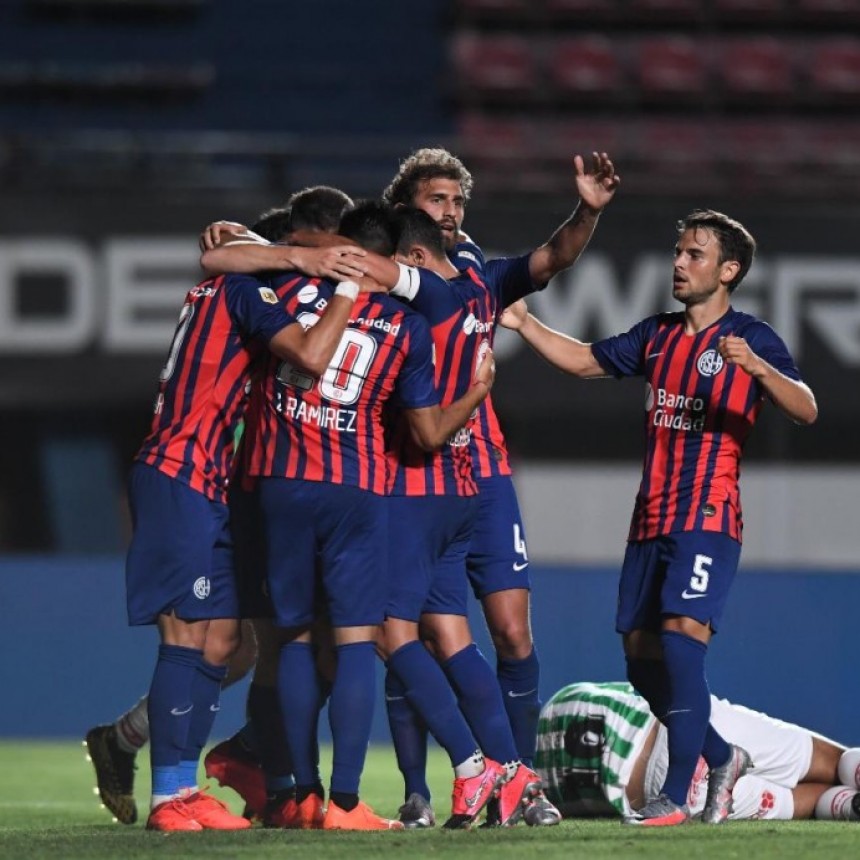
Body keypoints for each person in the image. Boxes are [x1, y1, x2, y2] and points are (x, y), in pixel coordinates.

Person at [500, 209, 818, 826]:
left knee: (679, 646)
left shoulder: (754, 337)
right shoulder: (658, 335)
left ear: (728, 271)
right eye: (678, 251)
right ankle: (724, 757)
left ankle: (678, 794)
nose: (678, 262)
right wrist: (524, 323)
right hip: (650, 521)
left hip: (707, 515)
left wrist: (755, 366)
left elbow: (805, 407)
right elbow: (585, 359)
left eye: (694, 254)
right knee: (642, 664)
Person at [96, 196, 367, 832]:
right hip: (180, 472)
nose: (317, 278)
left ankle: (171, 778)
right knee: (188, 636)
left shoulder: (235, 289)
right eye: (312, 264)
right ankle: (171, 798)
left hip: (209, 480)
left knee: (225, 641)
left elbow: (221, 252)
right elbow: (311, 355)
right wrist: (347, 289)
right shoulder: (247, 289)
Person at [379, 147, 619, 826]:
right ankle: (418, 791)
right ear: (408, 208)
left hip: (482, 476)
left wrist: (586, 212)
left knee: (512, 635)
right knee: (421, 636)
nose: (451, 212)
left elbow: (551, 259)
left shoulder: (480, 272)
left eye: (458, 201)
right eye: (437, 200)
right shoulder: (398, 279)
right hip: (412, 472)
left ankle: (519, 785)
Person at [243, 200, 497, 831]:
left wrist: (272, 245)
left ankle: (298, 794)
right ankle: (346, 804)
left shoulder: (290, 289)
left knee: (295, 640)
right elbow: (428, 431)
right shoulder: (406, 326)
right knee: (359, 641)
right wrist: (477, 392)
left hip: (278, 481)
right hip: (356, 489)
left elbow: (225, 262)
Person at [536, 681, 860, 822]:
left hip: (665, 794)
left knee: (797, 802)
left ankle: (851, 807)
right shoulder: (563, 699)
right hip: (685, 732)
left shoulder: (546, 791)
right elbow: (646, 692)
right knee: (831, 761)